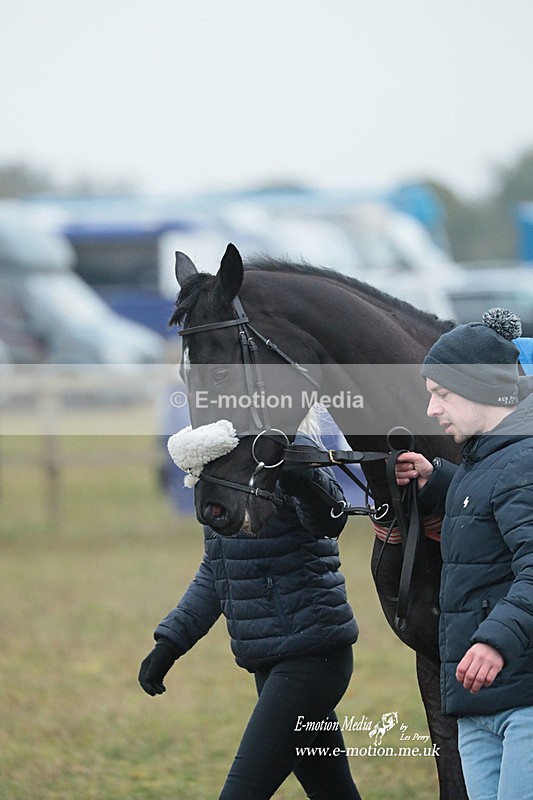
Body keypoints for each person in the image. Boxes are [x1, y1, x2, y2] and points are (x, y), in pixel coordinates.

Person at [139, 429, 362, 800]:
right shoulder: (218, 460)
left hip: (312, 658)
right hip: (268, 661)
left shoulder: (287, 446)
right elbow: (216, 570)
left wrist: (298, 470)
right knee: (333, 792)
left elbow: (329, 519)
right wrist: (170, 642)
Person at [394, 308, 533, 800]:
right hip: (479, 701)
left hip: (522, 701)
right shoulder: (483, 461)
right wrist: (441, 482)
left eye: (442, 394)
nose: (431, 410)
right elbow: (492, 509)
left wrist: (495, 641)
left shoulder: (522, 462)